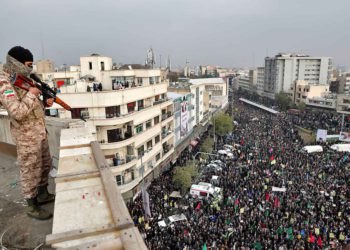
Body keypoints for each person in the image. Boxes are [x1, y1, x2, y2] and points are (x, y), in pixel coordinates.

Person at [0, 46, 55, 220]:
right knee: (30, 170)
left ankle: (43, 194)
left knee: (45, 164)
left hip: (39, 130)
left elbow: (33, 106)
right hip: (26, 135)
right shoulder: (4, 82)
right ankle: (32, 206)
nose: (30, 69)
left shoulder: (23, 76)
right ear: (17, 63)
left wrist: (45, 100)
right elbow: (16, 111)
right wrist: (32, 95)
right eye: (28, 65)